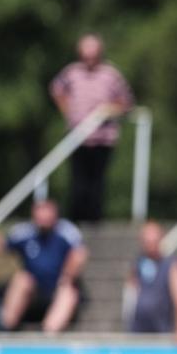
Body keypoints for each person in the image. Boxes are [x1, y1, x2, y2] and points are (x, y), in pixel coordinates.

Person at [49, 33, 135, 223]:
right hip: (77, 135)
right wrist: (68, 111)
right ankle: (76, 219)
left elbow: (127, 103)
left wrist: (109, 111)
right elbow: (56, 90)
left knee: (97, 182)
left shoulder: (111, 75)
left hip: (103, 137)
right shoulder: (71, 72)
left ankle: (94, 221)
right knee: (78, 182)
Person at [0, 200, 87, 332]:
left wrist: (68, 275)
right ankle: (6, 327)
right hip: (33, 289)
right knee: (22, 279)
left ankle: (48, 333)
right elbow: (0, 244)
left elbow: (79, 254)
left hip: (58, 286)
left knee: (68, 289)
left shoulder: (67, 231)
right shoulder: (25, 232)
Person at [126, 221, 177, 344]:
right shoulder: (138, 263)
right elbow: (131, 293)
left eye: (153, 240)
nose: (150, 244)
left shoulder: (173, 265)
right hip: (138, 330)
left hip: (161, 328)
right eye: (146, 241)